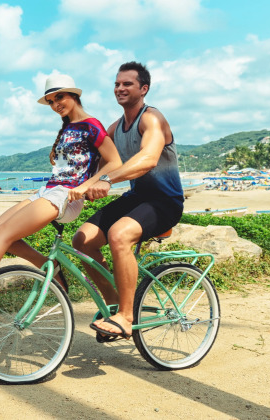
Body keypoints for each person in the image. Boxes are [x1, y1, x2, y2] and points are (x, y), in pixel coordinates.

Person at [0, 73, 122, 311]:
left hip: (66, 196)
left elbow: (115, 162)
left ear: (74, 95)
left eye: (59, 97)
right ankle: (49, 266)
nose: (55, 105)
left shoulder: (91, 125)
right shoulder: (69, 127)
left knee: (4, 235)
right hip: (49, 191)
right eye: (51, 101)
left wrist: (86, 186)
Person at [70, 61, 184, 340]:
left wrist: (107, 181)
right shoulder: (115, 128)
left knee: (119, 235)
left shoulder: (152, 119)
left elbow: (148, 159)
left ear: (144, 89)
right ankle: (113, 304)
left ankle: (126, 316)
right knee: (82, 241)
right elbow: (97, 161)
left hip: (165, 202)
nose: (120, 88)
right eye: (117, 84)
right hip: (137, 198)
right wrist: (71, 183)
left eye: (127, 84)